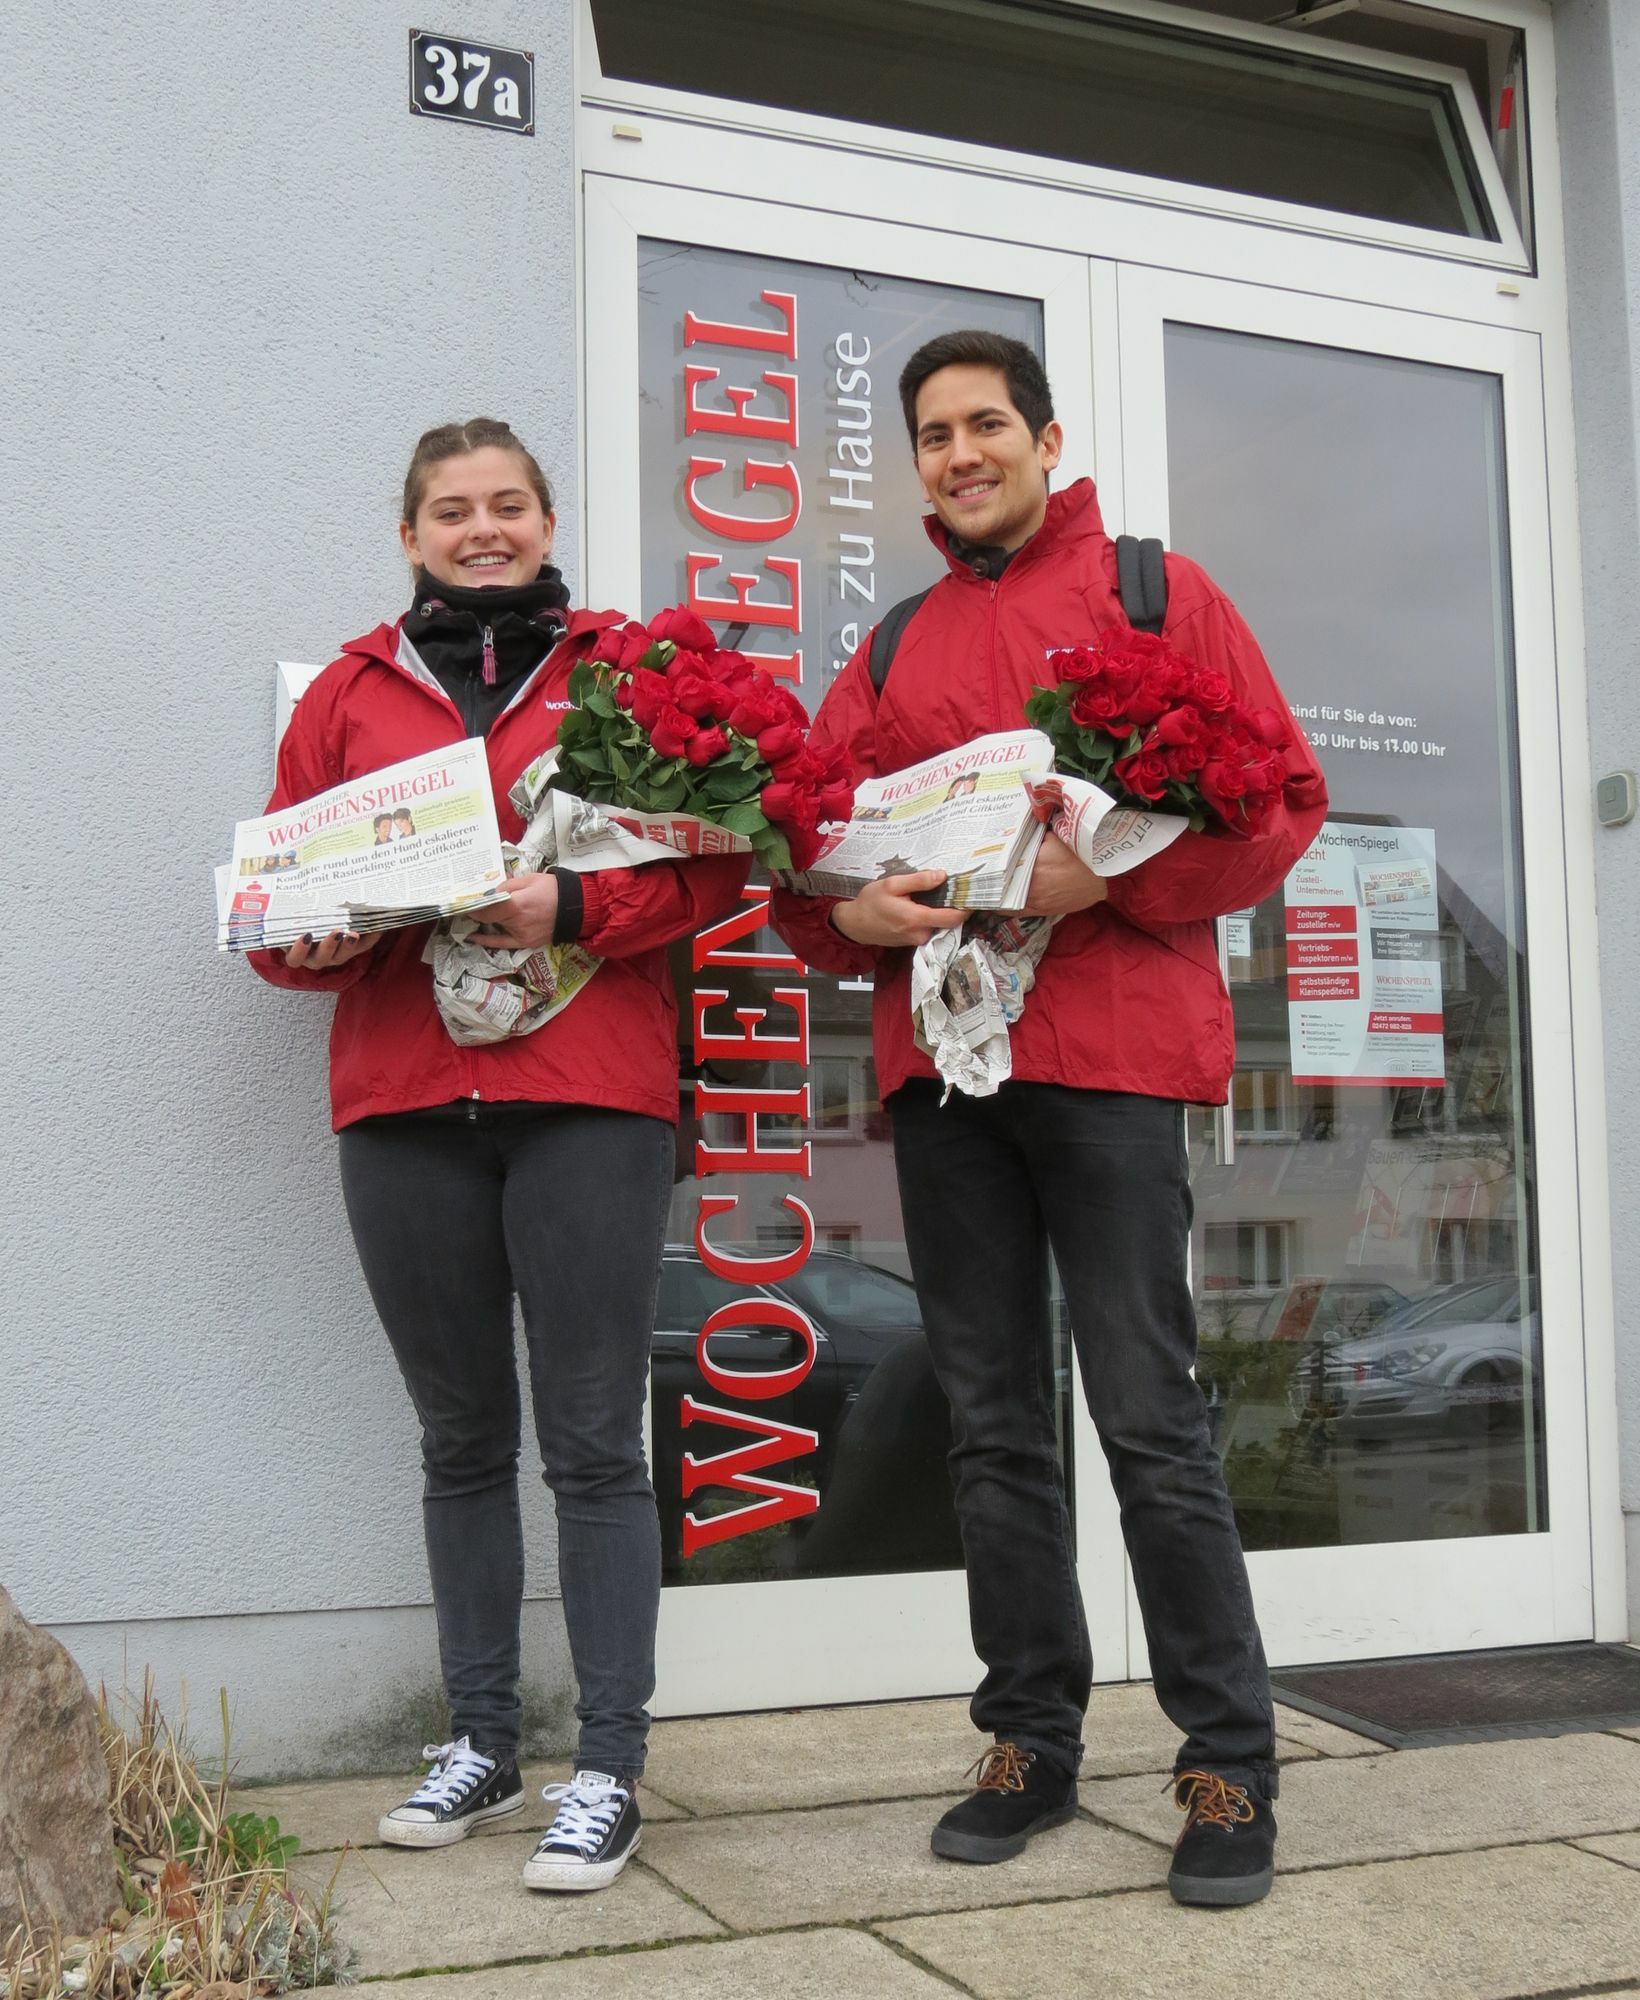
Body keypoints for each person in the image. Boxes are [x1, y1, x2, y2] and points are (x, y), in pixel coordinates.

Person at [771, 332, 1327, 1909]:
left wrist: (1116, 877)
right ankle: (1030, 1737)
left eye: (986, 424)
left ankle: (1228, 1762)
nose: (961, 453)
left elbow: (1280, 799)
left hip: (1112, 1059)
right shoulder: (891, 649)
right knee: (992, 1423)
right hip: (949, 1074)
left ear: (1046, 437)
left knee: (1150, 1417)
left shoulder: (1157, 596)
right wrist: (848, 915)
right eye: (934, 434)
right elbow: (810, 849)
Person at [248, 418, 749, 1892]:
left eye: (509, 504)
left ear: (546, 521)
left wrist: (576, 911)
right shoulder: (345, 696)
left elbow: (719, 862)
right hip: (405, 1104)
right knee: (460, 1440)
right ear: (410, 535)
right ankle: (479, 1742)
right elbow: (281, 898)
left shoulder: (626, 673)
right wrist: (314, 941)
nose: (484, 529)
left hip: (589, 1096)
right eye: (454, 510)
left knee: (592, 1441)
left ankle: (608, 1766)